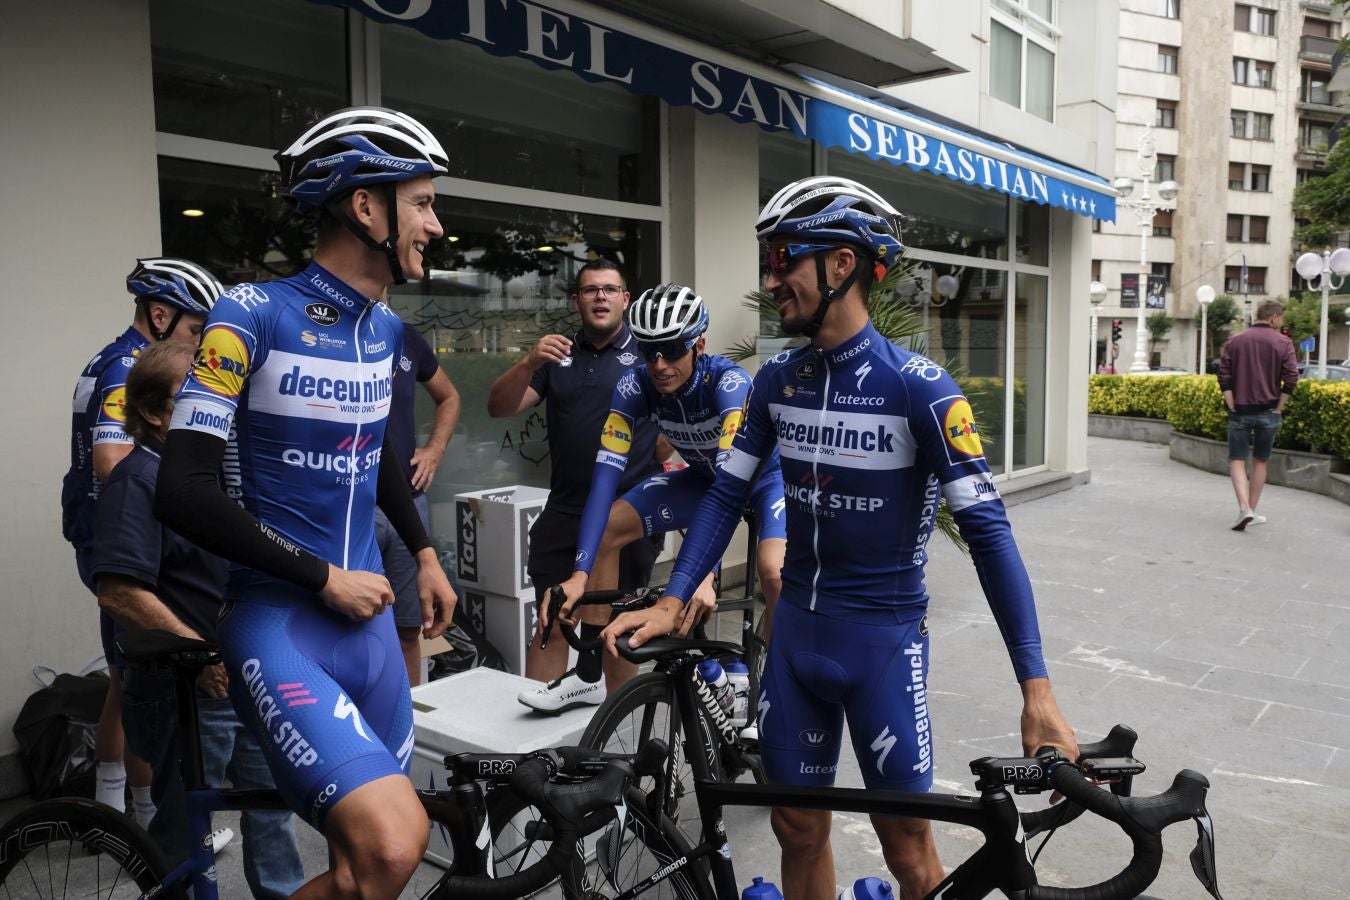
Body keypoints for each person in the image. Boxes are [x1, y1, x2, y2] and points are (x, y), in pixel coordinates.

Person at [603, 176, 1078, 900]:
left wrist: (1036, 690)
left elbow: (987, 533)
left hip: (880, 643)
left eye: (785, 257)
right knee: (798, 827)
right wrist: (673, 599)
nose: (772, 279)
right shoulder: (777, 382)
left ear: (843, 265)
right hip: (794, 640)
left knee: (907, 846)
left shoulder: (920, 387)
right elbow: (728, 491)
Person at [156, 106, 457, 900]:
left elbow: (379, 458)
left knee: (366, 869)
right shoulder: (248, 316)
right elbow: (179, 490)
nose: (435, 222)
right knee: (395, 847)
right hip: (283, 624)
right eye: (421, 202)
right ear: (367, 207)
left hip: (372, 633)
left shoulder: (387, 329)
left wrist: (424, 553)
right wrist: (323, 577)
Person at [96, 341, 304, 899]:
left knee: (272, 809)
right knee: (181, 829)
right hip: (187, 684)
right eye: (193, 395)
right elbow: (118, 592)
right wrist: (202, 653)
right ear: (153, 412)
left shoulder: (213, 475)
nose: (213, 407)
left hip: (249, 673)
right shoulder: (139, 480)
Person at [61, 256, 219, 821]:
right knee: (139, 676)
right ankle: (147, 820)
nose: (201, 344)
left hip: (102, 531)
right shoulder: (127, 366)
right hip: (124, 540)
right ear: (159, 314)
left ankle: (113, 811)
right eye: (196, 329)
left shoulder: (107, 355)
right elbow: (110, 461)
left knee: (123, 673)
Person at [551, 282, 786, 645]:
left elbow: (729, 491)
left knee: (773, 574)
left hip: (766, 481)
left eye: (673, 350)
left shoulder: (728, 383)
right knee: (610, 524)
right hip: (705, 480)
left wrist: (704, 575)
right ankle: (590, 666)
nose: (659, 365)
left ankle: (777, 680)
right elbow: (603, 482)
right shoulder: (635, 386)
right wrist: (580, 572)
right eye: (649, 351)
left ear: (699, 346)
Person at [486, 259, 664, 712]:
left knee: (616, 629)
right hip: (563, 512)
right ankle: (538, 747)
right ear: (576, 300)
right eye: (590, 290)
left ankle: (621, 736)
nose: (600, 297)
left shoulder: (650, 355)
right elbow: (500, 408)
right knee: (551, 619)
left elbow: (669, 437)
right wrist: (527, 361)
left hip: (624, 519)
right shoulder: (556, 354)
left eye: (610, 289)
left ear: (626, 298)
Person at [377, 319, 461, 686]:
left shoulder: (404, 335)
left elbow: (449, 396)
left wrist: (435, 449)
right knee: (348, 627)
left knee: (408, 628)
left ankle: (410, 732)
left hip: (408, 505)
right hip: (351, 505)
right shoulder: (329, 333)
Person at [1217, 299, 1298, 531]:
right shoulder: (1283, 342)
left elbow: (1224, 376)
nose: (1281, 322)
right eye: (1280, 318)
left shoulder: (1235, 340)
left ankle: (1245, 509)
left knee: (1237, 460)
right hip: (1269, 411)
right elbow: (1291, 378)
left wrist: (1232, 405)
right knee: (1261, 460)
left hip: (1240, 410)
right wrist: (1279, 407)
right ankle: (1250, 509)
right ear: (1273, 318)